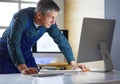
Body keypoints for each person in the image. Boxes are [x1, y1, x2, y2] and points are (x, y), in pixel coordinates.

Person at [0, 0, 90, 74]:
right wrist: (23, 68)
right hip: (4, 53)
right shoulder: (21, 18)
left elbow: (61, 40)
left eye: (55, 18)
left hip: (26, 54)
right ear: (39, 15)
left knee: (34, 77)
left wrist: (73, 64)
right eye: (51, 17)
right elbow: (13, 43)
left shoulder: (49, 24)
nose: (54, 21)